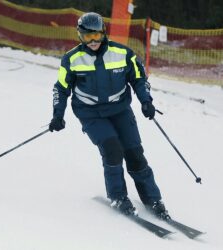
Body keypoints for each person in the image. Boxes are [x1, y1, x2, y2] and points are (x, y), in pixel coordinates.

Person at [49, 12, 169, 218]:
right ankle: (118, 196)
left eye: (97, 35)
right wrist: (57, 116)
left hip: (120, 109)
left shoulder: (122, 53)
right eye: (88, 37)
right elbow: (60, 89)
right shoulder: (71, 59)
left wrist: (146, 101)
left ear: (104, 33)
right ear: (80, 36)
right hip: (90, 113)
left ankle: (152, 199)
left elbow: (139, 78)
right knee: (112, 149)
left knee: (134, 154)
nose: (93, 41)